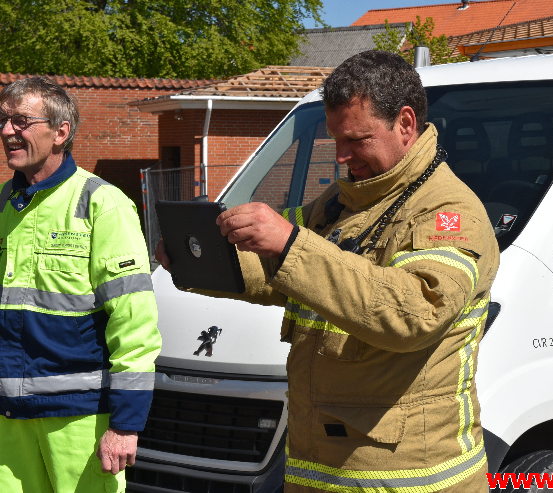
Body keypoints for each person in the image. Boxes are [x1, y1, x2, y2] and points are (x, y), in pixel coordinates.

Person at [159, 50, 499, 491]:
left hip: (405, 479)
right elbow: (277, 266)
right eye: (334, 140)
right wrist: (197, 259)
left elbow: (415, 312)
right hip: (324, 469)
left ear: (406, 124)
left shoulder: (449, 212)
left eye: (356, 140)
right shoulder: (343, 202)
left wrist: (289, 242)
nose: (341, 156)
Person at [0, 77, 161, 493]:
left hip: (79, 419)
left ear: (60, 132)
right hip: (7, 421)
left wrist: (125, 424)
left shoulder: (102, 203)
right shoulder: (3, 203)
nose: (6, 131)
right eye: (3, 120)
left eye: (20, 120)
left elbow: (135, 325)